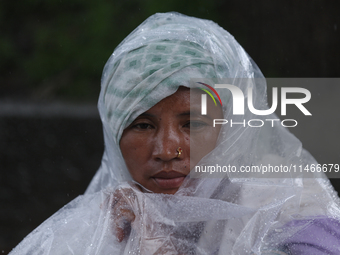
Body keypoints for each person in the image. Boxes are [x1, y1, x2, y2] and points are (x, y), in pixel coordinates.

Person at [9, 12, 340, 255]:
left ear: (231, 130)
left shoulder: (289, 205)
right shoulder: (101, 226)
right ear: (114, 136)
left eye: (193, 124)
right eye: (142, 125)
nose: (167, 149)